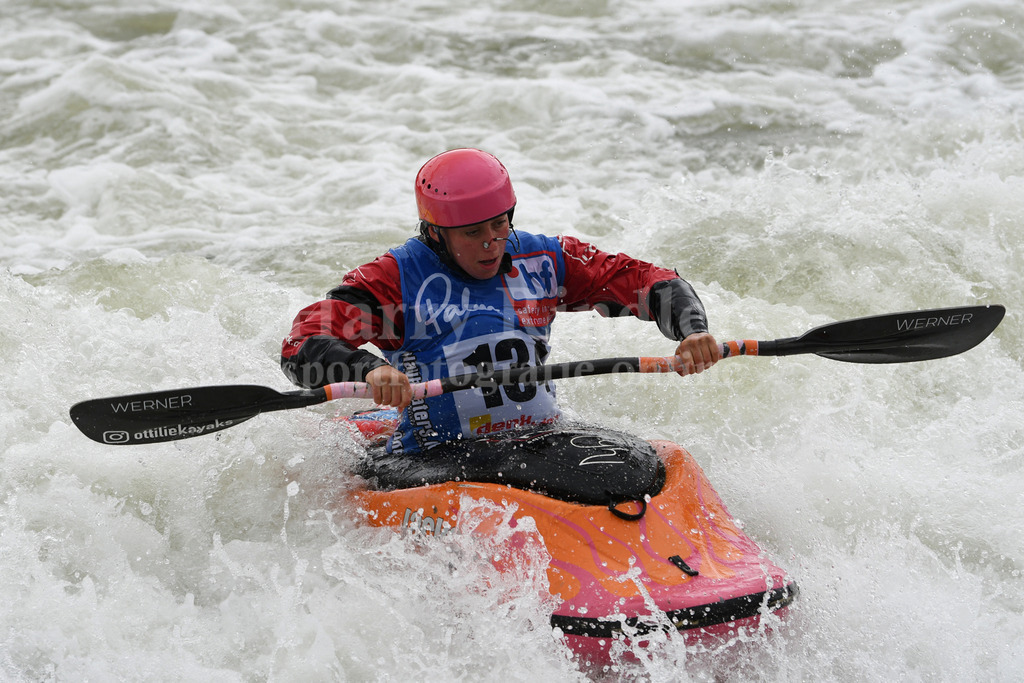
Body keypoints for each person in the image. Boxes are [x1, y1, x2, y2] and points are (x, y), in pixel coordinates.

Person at [281, 148, 719, 456]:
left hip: (539, 438)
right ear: (435, 232)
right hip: (436, 453)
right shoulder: (395, 278)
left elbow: (647, 279)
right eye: (473, 233)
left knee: (649, 463)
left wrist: (692, 330)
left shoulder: (545, 258)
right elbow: (302, 341)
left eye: (499, 225)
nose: (491, 244)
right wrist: (370, 370)